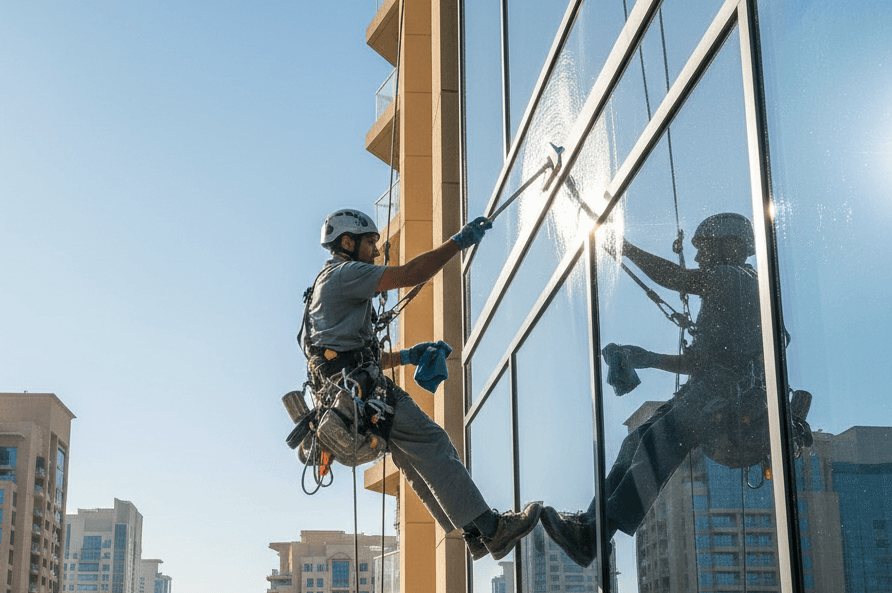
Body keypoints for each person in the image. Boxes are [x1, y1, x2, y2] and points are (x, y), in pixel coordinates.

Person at [304, 208, 542, 561]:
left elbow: (348, 354)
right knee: (433, 442)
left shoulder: (326, 287)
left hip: (352, 390)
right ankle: (491, 530)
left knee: (414, 460)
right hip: (366, 392)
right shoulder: (345, 273)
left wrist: (407, 356)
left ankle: (474, 533)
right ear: (348, 242)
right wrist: (457, 243)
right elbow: (410, 274)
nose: (376, 251)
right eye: (370, 243)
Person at [543, 213, 765, 567]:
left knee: (655, 443)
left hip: (725, 392)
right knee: (635, 441)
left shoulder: (736, 277)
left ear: (731, 245)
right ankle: (590, 527)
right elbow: (701, 362)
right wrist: (646, 358)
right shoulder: (731, 289)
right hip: (712, 388)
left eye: (704, 249)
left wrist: (625, 248)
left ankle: (595, 533)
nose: (697, 257)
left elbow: (676, 278)